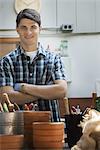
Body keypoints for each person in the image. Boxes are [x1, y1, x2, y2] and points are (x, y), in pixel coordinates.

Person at [0, 8, 67, 121]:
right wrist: (48, 92)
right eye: (23, 27)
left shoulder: (54, 59)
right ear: (17, 29)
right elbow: (8, 96)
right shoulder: (7, 61)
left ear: (40, 29)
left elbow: (62, 91)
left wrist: (23, 87)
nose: (28, 32)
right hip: (19, 128)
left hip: (50, 128)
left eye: (33, 27)